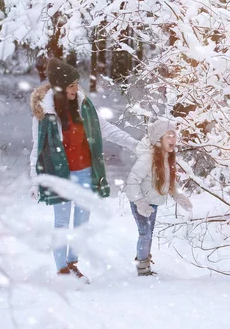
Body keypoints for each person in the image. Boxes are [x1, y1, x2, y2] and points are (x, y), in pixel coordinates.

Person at [29, 58, 138, 282]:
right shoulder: (45, 114)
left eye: (77, 83)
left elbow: (104, 128)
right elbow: (36, 149)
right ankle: (62, 270)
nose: (76, 88)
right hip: (60, 175)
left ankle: (72, 263)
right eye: (71, 85)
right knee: (61, 223)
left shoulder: (83, 105)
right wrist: (34, 179)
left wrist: (134, 144)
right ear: (60, 87)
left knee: (81, 223)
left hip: (85, 173)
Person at [125, 119, 193, 276]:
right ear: (158, 139)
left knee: (149, 233)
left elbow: (168, 182)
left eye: (174, 136)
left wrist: (179, 196)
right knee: (145, 233)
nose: (173, 140)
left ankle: (145, 262)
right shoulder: (147, 159)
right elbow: (132, 181)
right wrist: (140, 202)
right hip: (141, 201)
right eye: (168, 136)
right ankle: (142, 268)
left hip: (153, 202)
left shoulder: (166, 158)